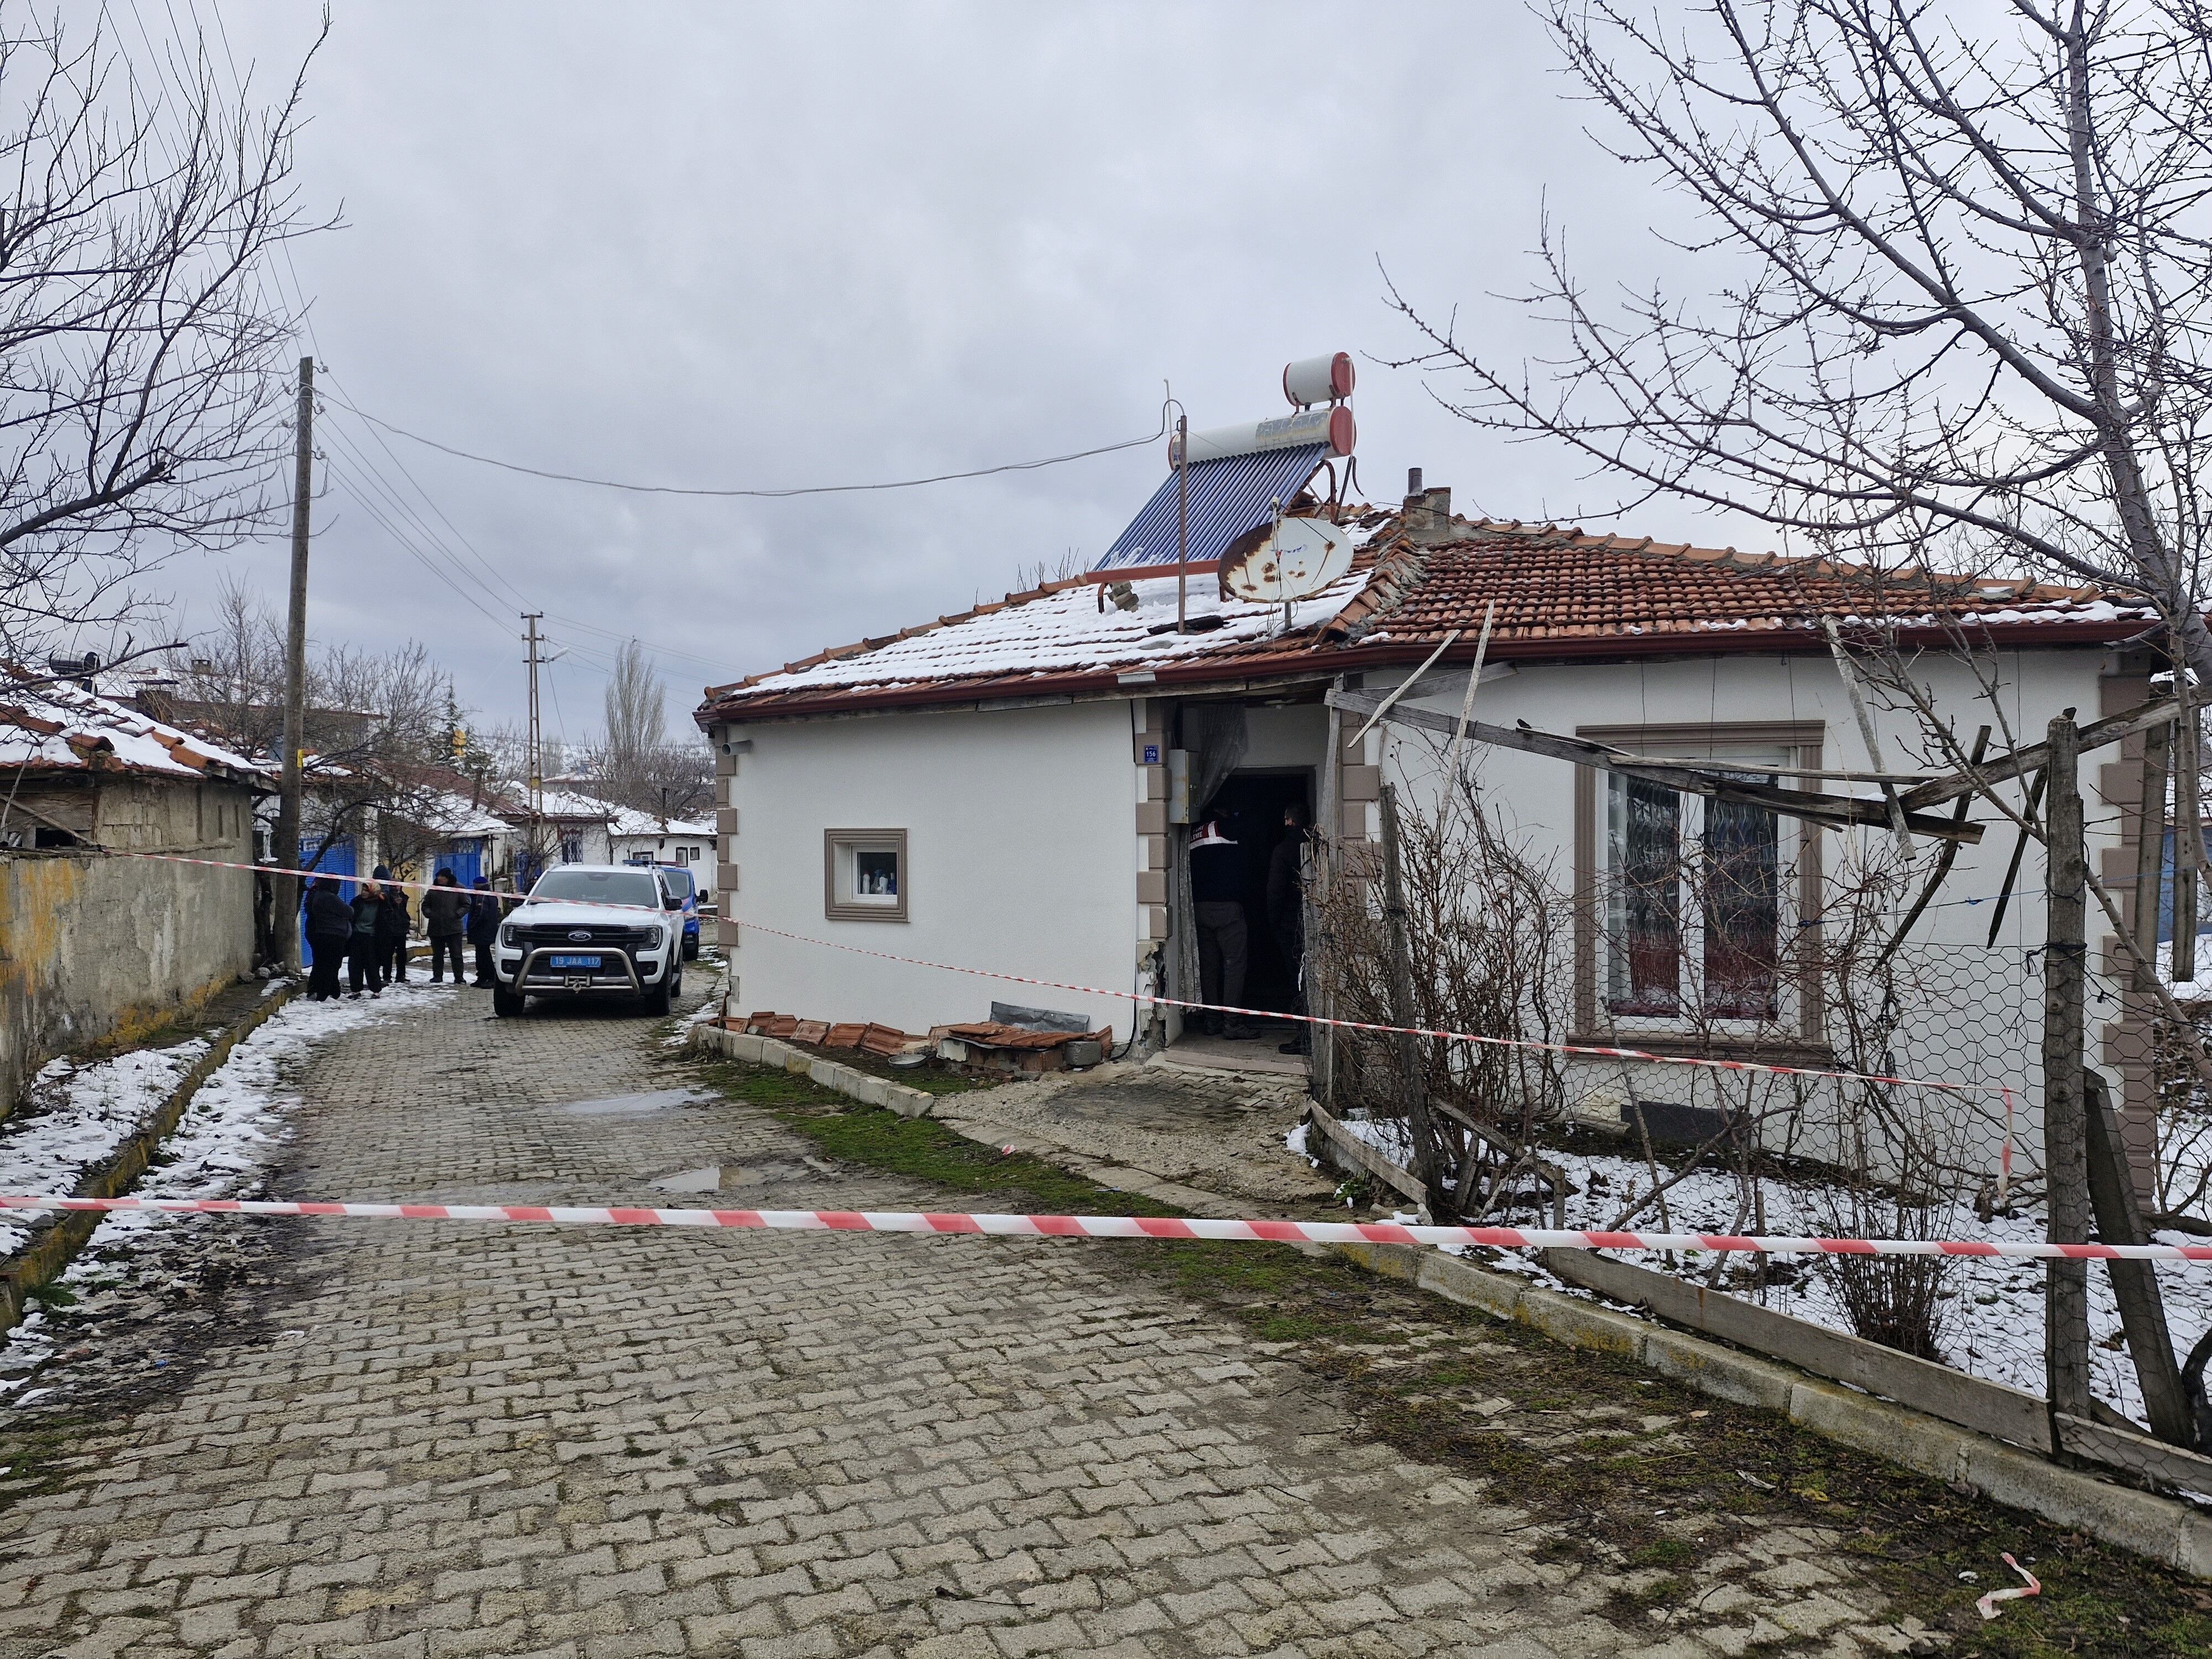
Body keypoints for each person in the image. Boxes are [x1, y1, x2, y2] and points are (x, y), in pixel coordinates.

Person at [1190, 815, 1256, 1040]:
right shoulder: (1226, 827)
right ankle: (1232, 1023)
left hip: (1200, 909)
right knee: (1234, 966)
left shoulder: (1192, 833)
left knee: (1209, 969)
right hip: (1227, 910)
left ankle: (1211, 1021)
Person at [1267, 802, 1312, 1056]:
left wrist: (1273, 923)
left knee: (1297, 981)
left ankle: (1305, 1036)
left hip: (1289, 926)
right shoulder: (1317, 847)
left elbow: (1275, 892)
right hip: (1313, 924)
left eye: (1286, 819)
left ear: (1290, 821)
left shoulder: (1283, 851)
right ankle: (1311, 1033)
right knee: (1311, 979)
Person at [304, 878, 353, 1001]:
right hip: (331, 935)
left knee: (322, 964)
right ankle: (325, 994)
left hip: (323, 934)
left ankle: (328, 991)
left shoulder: (316, 895)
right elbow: (349, 911)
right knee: (330, 965)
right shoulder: (328, 897)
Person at [421, 869, 469, 983]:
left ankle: (459, 977)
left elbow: (466, 904)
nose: (439, 879)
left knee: (456, 955)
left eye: (442, 877)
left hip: (454, 928)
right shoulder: (433, 889)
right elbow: (425, 905)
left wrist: (457, 914)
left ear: (447, 878)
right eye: (438, 877)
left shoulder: (458, 888)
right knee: (437, 955)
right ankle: (437, 976)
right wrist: (429, 913)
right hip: (436, 927)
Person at [372, 864, 411, 984]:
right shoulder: (386, 896)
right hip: (389, 929)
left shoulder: (402, 897)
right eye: (393, 885)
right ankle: (387, 976)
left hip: (401, 929)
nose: (396, 887)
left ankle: (401, 976)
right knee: (387, 954)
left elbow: (403, 912)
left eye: (398, 885)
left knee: (402, 954)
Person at [348, 877, 384, 998]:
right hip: (357, 936)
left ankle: (376, 990)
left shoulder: (380, 903)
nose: (363, 892)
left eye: (366, 890)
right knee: (355, 964)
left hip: (372, 938)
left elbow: (385, 919)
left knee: (372, 964)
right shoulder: (356, 902)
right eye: (362, 890)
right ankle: (356, 990)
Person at [466, 877, 502, 987]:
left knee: (483, 955)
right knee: (482, 954)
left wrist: (472, 925)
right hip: (487, 930)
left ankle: (490, 978)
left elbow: (481, 914)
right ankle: (482, 977)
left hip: (482, 931)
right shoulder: (491, 895)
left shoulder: (481, 896)